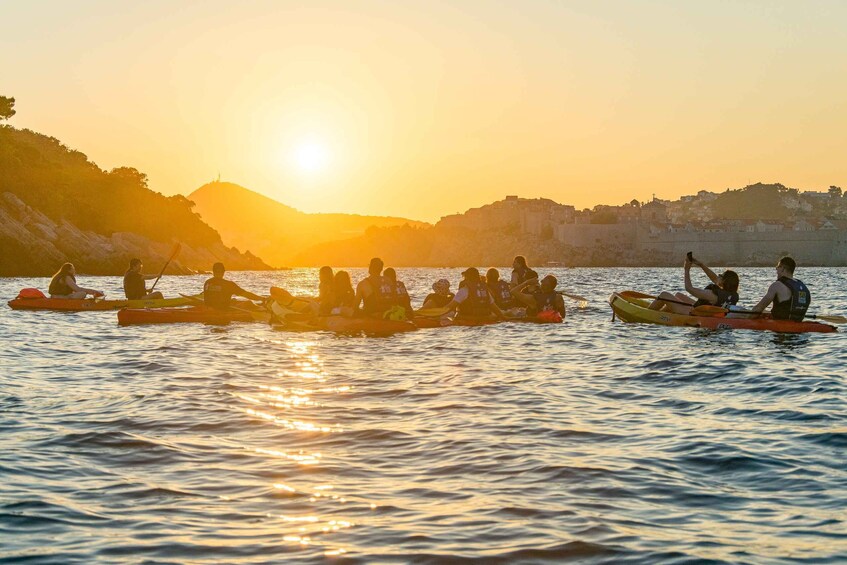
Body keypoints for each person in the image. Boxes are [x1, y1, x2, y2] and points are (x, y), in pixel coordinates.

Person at [648, 255, 740, 314]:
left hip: (690, 313)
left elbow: (689, 288)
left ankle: (649, 313)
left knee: (664, 295)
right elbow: (715, 279)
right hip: (706, 311)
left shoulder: (712, 295)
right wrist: (701, 265)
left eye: (721, 275)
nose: (718, 275)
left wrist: (686, 269)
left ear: (724, 282)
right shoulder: (731, 294)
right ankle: (663, 314)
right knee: (678, 295)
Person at [751, 256, 810, 321]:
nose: (776, 269)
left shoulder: (777, 285)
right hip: (798, 325)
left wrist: (747, 317)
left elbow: (759, 308)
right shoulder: (803, 287)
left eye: (778, 267)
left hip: (781, 327)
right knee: (764, 311)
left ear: (783, 269)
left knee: (744, 312)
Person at [441, 267, 506, 320]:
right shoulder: (484, 289)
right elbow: (495, 309)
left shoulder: (465, 290)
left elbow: (449, 307)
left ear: (467, 278)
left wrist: (437, 313)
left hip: (468, 318)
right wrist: (504, 317)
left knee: (454, 315)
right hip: (485, 318)